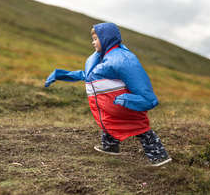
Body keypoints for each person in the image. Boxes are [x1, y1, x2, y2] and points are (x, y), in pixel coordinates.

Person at [45, 22, 171, 166]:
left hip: (124, 106)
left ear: (106, 38)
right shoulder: (101, 58)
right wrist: (62, 75)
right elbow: (89, 75)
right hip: (109, 107)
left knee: (140, 129)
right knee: (108, 124)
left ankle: (160, 158)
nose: (93, 43)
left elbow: (142, 86)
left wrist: (132, 100)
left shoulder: (122, 59)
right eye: (92, 39)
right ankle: (110, 147)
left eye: (95, 39)